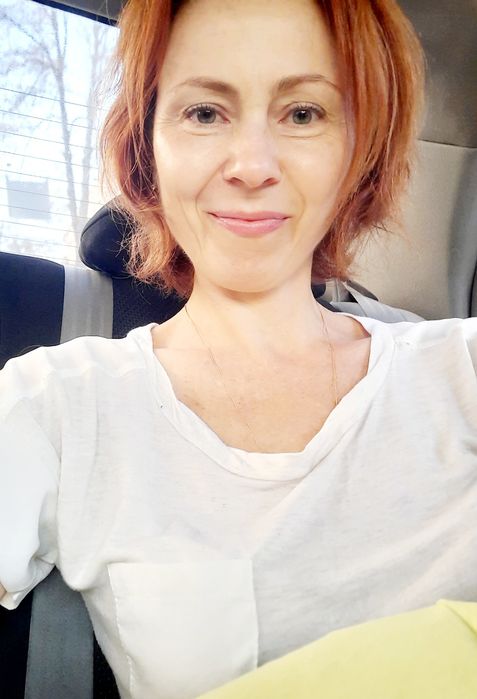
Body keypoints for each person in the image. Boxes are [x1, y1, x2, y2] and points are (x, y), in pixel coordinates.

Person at [1, 0, 476, 698]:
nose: (251, 166)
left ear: (359, 150)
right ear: (148, 145)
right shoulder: (55, 405)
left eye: (303, 113)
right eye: (204, 113)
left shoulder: (463, 369)